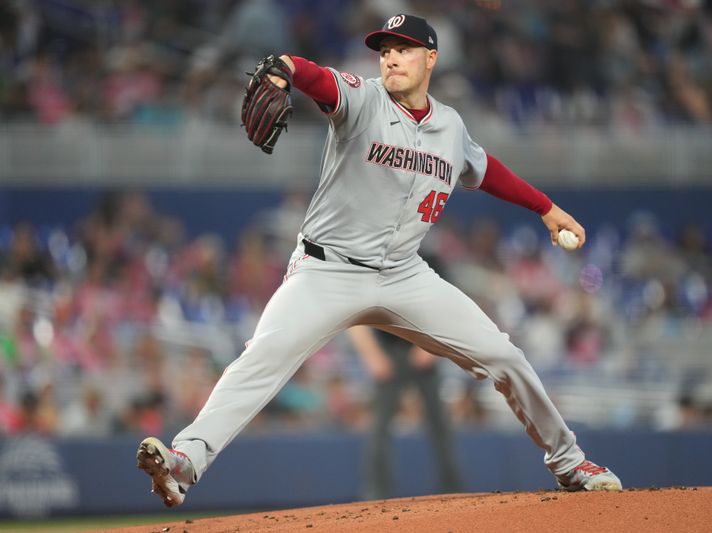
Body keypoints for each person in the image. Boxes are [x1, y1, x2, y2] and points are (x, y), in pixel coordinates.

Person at [136, 13, 622, 508]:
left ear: (431, 58)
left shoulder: (450, 126)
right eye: (385, 48)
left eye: (404, 48)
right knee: (261, 359)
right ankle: (186, 459)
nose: (390, 56)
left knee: (503, 357)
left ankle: (570, 462)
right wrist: (283, 68)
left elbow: (484, 168)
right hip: (327, 270)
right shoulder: (363, 100)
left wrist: (546, 207)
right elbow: (316, 77)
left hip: (404, 274)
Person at [350, 325, 462, 499]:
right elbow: (356, 321)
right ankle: (376, 495)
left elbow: (448, 310)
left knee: (440, 425)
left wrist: (433, 347)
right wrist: (372, 355)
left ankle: (454, 491)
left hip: (424, 343)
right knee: (378, 428)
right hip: (387, 351)